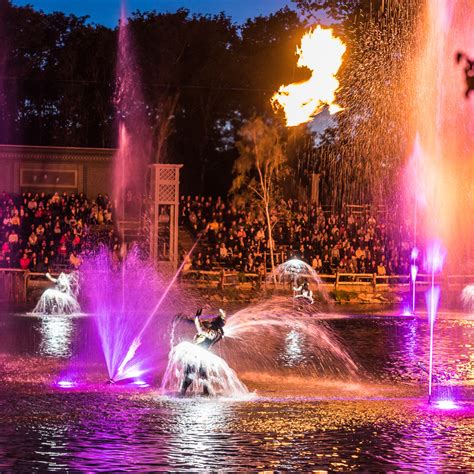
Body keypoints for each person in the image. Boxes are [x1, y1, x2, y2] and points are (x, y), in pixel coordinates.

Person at [180, 308, 226, 396]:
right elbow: (202, 326)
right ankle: (206, 394)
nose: (211, 320)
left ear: (215, 323)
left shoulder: (212, 332)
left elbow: (200, 329)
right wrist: (223, 315)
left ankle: (182, 394)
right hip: (203, 355)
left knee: (190, 374)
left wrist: (197, 318)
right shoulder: (219, 333)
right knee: (203, 376)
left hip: (196, 355)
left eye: (214, 320)